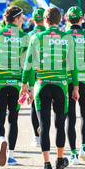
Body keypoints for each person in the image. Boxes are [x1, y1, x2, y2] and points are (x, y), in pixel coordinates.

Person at [20, 7, 79, 169]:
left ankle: (46, 166)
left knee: (44, 127)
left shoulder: (36, 37)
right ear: (60, 20)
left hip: (42, 86)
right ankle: (60, 160)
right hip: (61, 86)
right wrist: (75, 87)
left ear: (45, 20)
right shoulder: (67, 38)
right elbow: (73, 66)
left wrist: (24, 85)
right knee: (60, 125)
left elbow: (28, 65)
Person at [0, 6, 28, 166]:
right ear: (16, 19)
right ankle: (11, 155)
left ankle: (1, 139)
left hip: (0, 82)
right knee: (13, 120)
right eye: (22, 19)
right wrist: (26, 86)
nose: (23, 22)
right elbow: (27, 64)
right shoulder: (24, 36)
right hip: (16, 83)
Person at [65, 6, 85, 164]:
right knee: (84, 115)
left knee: (70, 117)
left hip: (68, 81)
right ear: (82, 19)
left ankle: (72, 154)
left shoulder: (63, 37)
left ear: (67, 19)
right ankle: (83, 148)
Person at [27, 8, 46, 148]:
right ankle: (46, 133)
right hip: (48, 73)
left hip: (33, 74)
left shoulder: (28, 36)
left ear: (33, 20)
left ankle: (36, 137)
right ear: (45, 20)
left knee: (34, 105)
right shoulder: (49, 35)